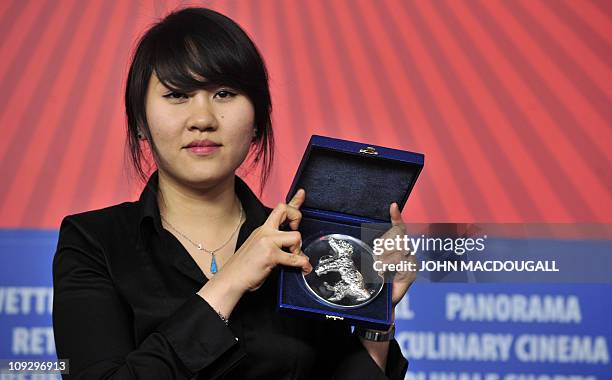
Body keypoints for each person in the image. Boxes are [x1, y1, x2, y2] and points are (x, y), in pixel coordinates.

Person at [52, 7, 413, 379]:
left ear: (257, 120)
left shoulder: (303, 245)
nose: (203, 119)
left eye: (224, 93)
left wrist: (377, 313)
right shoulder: (93, 241)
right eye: (177, 95)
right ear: (141, 121)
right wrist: (231, 280)